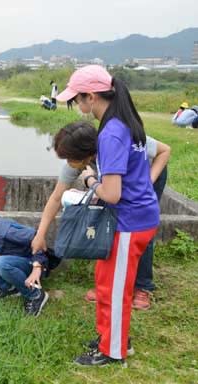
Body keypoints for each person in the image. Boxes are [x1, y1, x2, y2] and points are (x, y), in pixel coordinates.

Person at [55, 65, 161, 366]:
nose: (77, 106)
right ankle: (110, 337)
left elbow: (112, 193)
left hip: (129, 221)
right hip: (135, 217)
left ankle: (113, 351)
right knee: (108, 282)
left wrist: (90, 180)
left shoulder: (111, 133)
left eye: (77, 100)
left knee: (114, 289)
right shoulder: (125, 121)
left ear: (91, 96)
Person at [33, 122, 170, 311]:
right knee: (109, 227)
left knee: (140, 230)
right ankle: (110, 285)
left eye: (69, 158)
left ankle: (142, 287)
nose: (68, 164)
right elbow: (56, 197)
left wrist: (145, 185)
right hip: (113, 186)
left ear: (85, 153)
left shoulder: (119, 141)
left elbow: (164, 151)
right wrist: (40, 234)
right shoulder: (79, 163)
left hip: (149, 175)